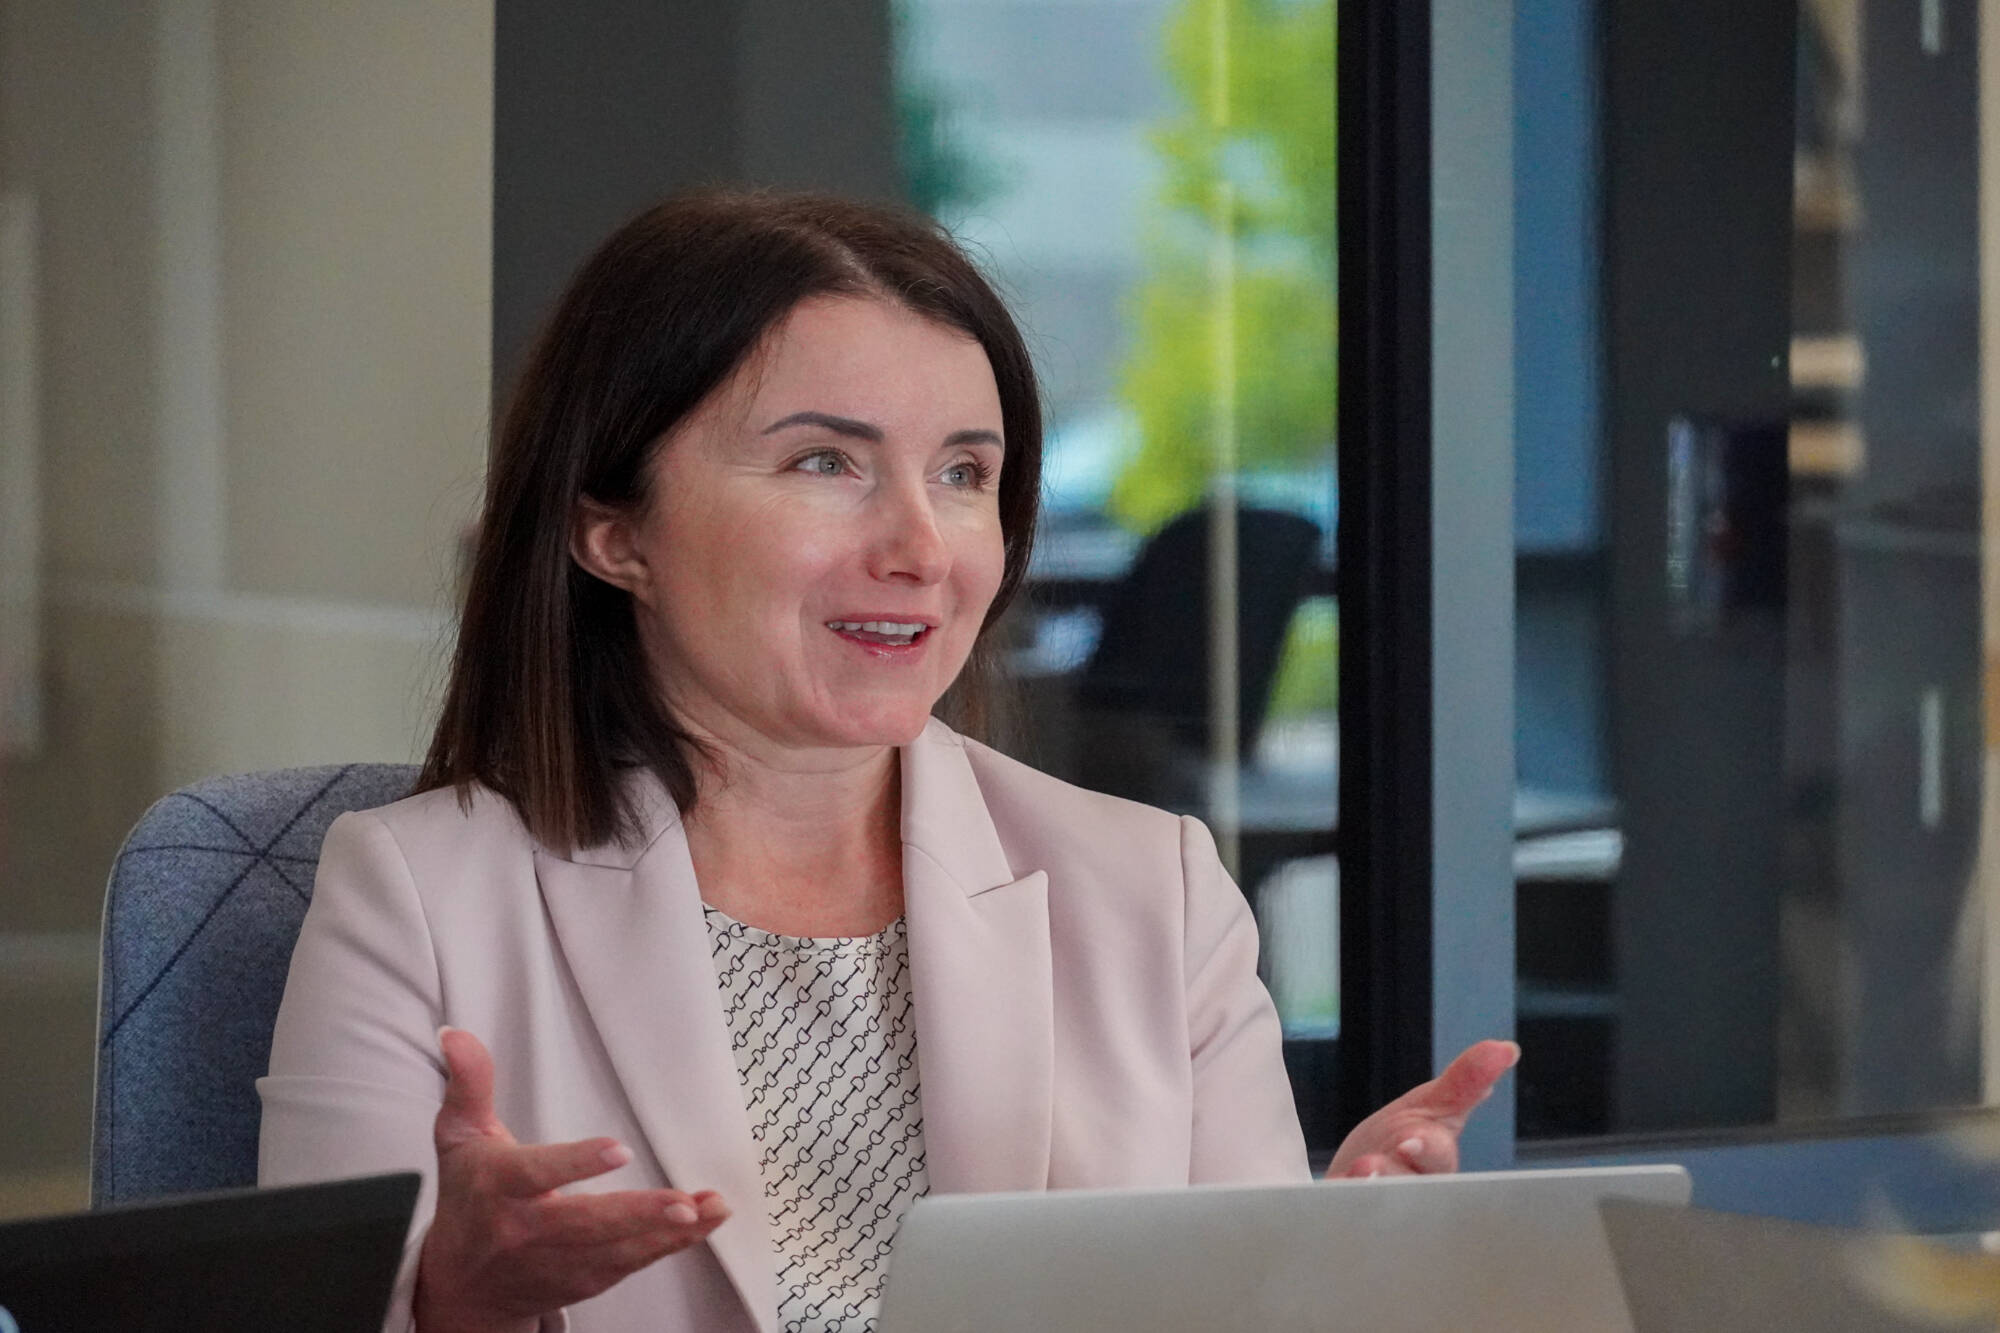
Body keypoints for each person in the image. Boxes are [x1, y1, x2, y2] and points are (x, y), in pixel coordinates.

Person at [257, 190, 1518, 1333]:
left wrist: (1326, 1277)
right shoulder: (415, 895)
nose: (922, 544)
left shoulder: (1156, 888)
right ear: (611, 530)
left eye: (965, 473)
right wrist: (455, 1302)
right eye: (826, 463)